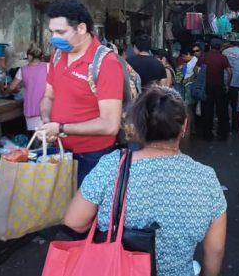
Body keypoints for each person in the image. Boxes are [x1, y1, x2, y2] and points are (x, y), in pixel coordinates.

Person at [62, 87, 227, 276]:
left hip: (116, 269)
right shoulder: (206, 178)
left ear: (139, 126)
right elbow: (215, 250)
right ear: (184, 126)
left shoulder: (113, 166)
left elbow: (74, 221)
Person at [38, 0, 124, 185]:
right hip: (60, 150)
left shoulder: (106, 63)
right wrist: (46, 122)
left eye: (60, 32)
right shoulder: (57, 55)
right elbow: (48, 96)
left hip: (93, 157)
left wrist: (60, 128)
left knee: (86, 212)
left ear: (81, 28)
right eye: (52, 32)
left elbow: (110, 125)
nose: (54, 38)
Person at [5, 43, 49, 132]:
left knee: (36, 135)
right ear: (41, 56)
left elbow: (12, 87)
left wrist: (5, 90)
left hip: (31, 106)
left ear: (29, 56)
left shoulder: (22, 70)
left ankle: (36, 146)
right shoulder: (48, 66)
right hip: (47, 107)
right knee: (47, 135)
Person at [197, 38, 232, 141]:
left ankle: (207, 134)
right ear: (220, 47)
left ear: (210, 46)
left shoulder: (204, 56)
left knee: (207, 111)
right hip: (219, 87)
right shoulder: (223, 58)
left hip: (206, 87)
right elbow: (230, 72)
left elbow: (196, 69)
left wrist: (200, 79)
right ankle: (222, 133)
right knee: (222, 111)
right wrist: (227, 85)